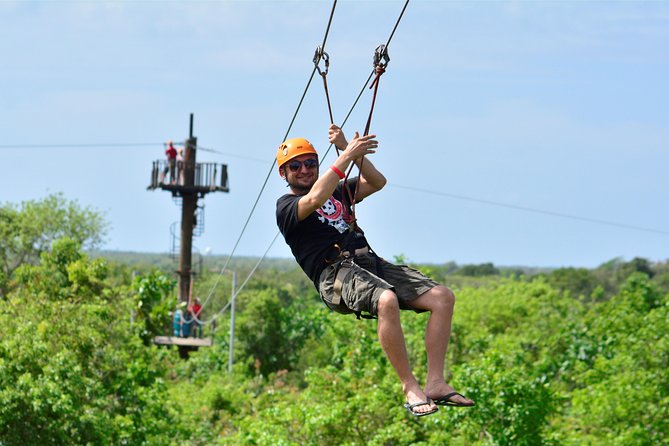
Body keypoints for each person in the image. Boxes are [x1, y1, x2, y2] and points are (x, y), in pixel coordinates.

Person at [275, 124, 474, 417]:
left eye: (310, 163)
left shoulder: (340, 190)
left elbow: (377, 181)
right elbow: (314, 199)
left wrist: (348, 149)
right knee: (386, 300)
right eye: (295, 166)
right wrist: (345, 158)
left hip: (369, 262)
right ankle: (410, 387)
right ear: (284, 174)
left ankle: (436, 382)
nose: (304, 169)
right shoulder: (287, 206)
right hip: (335, 276)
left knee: (442, 297)